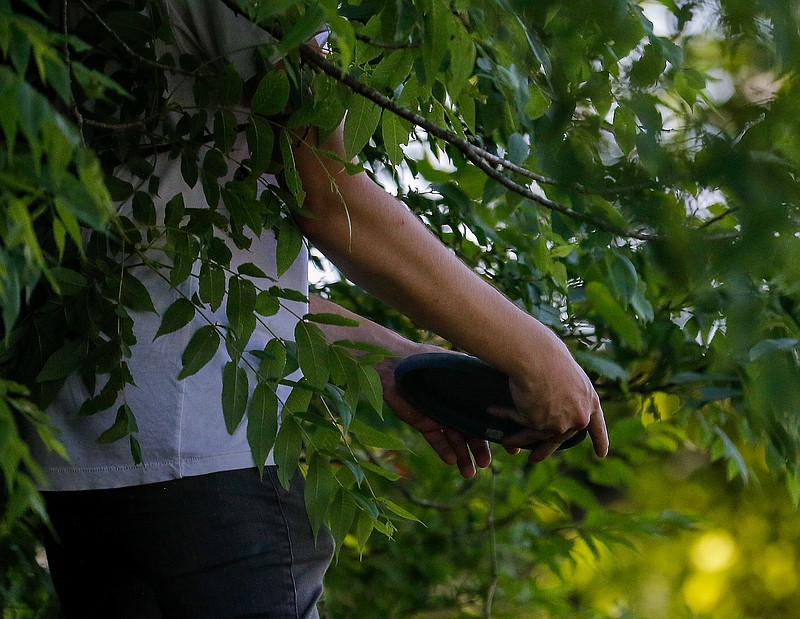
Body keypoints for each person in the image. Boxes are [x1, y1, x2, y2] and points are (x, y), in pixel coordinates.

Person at [32, 2, 608, 618]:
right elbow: (332, 202)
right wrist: (535, 352)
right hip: (213, 468)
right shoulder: (270, 10)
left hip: (73, 463)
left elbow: (169, 264)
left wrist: (391, 359)